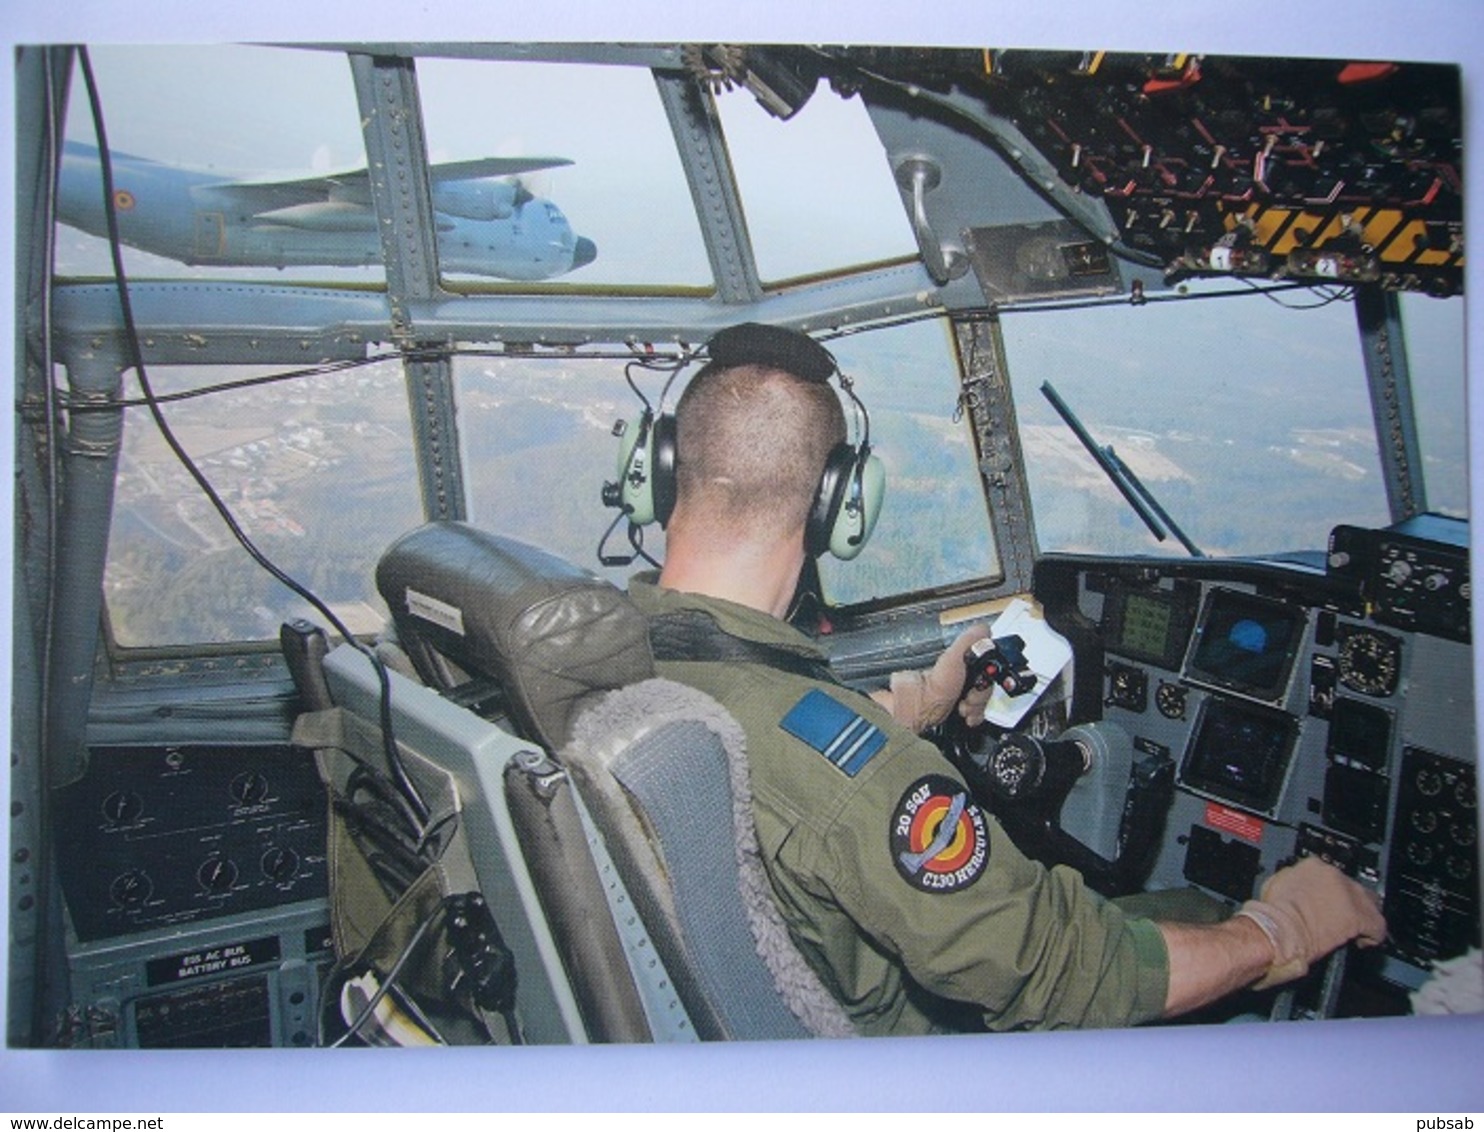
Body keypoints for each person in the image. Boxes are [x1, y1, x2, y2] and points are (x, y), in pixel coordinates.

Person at [626, 322, 1387, 1035]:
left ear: (659, 470)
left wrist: (915, 711)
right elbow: (1063, 975)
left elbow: (779, 759)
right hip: (908, 1069)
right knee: (1198, 915)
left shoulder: (599, 658)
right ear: (841, 505)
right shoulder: (857, 782)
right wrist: (1279, 929)